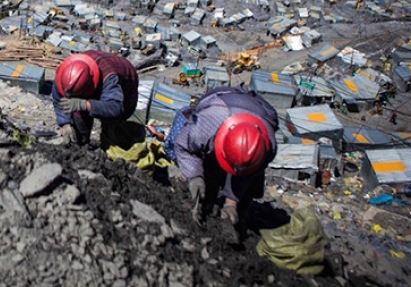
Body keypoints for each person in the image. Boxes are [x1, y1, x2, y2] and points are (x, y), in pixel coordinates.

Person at [167, 86, 278, 230]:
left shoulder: (268, 145)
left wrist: (231, 203)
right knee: (209, 168)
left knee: (251, 187)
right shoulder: (207, 124)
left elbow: (247, 174)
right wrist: (194, 176)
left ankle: (242, 217)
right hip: (223, 102)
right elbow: (183, 146)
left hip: (262, 110)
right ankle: (207, 201)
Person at [52, 50, 143, 148]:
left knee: (112, 124)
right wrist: (65, 123)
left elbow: (116, 107)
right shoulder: (65, 74)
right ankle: (82, 143)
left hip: (124, 80)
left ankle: (110, 146)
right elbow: (59, 100)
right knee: (78, 118)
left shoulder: (109, 78)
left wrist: (84, 104)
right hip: (93, 80)